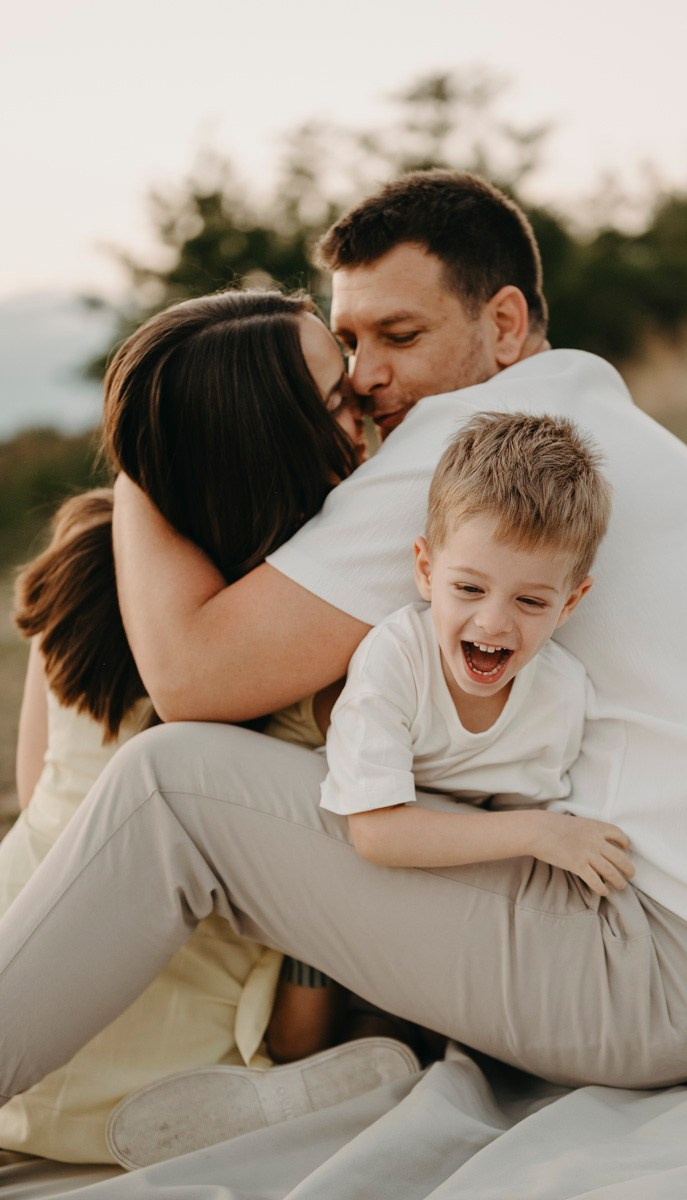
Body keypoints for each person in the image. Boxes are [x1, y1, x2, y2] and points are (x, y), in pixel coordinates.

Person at [1, 170, 687, 1125]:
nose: (369, 376)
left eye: (401, 337)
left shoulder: (473, 447)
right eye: (349, 341)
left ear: (505, 326)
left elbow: (192, 680)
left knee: (171, 783)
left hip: (657, 967)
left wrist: (143, 450)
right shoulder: (584, 423)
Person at [0, 291, 416, 1164]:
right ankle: (275, 1082)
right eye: (338, 399)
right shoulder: (309, 642)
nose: (368, 404)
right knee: (363, 1042)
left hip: (16, 979)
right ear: (274, 442)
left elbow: (39, 786)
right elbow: (328, 905)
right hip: (173, 1055)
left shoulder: (83, 557)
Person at [323, 412, 634, 898]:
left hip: (457, 880)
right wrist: (539, 833)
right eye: (469, 588)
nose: (493, 623)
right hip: (346, 854)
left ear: (569, 603)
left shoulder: (564, 694)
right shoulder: (397, 658)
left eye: (530, 601)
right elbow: (373, 832)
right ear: (426, 570)